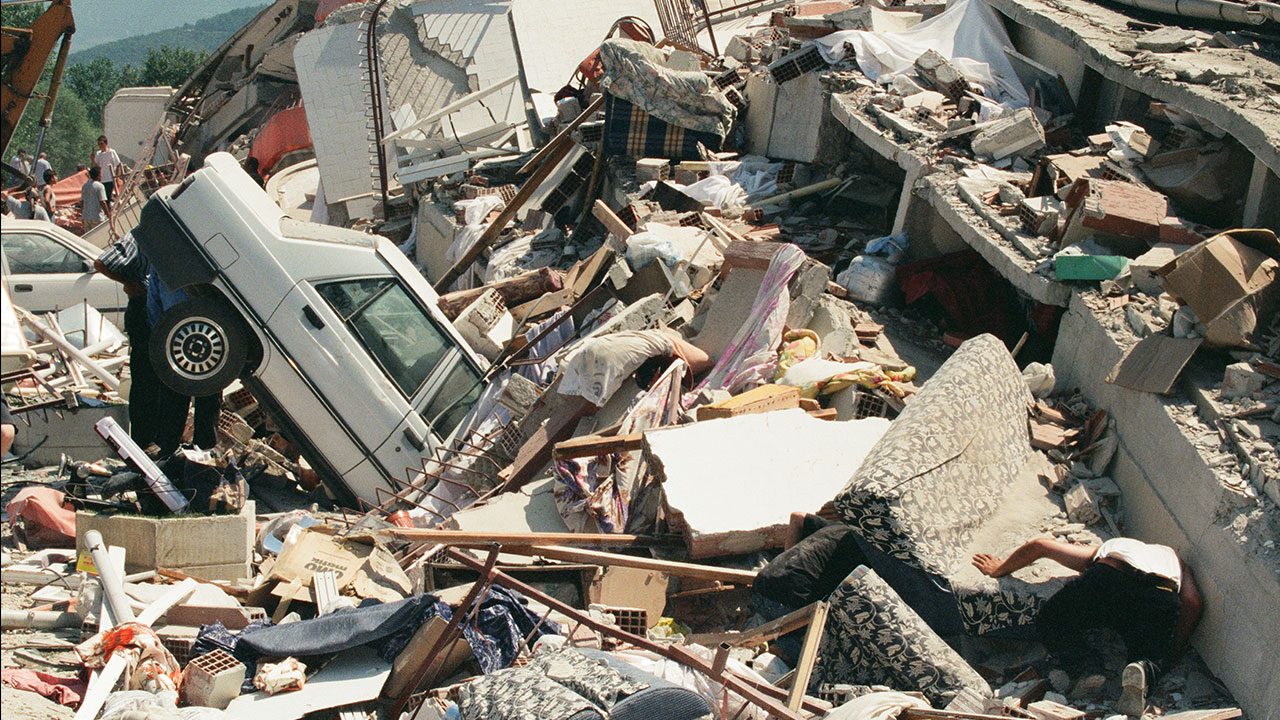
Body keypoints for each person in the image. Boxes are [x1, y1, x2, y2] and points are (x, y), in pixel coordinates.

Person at [972, 536, 1203, 717]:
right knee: (1148, 652)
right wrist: (1172, 650)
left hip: (1112, 574)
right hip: (1160, 593)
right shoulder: (1178, 563)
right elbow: (1193, 602)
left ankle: (1086, 666)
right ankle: (1142, 668)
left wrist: (999, 568)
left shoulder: (1114, 546)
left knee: (1053, 621)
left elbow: (1040, 545)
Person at [750, 513, 868, 664]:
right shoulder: (866, 555)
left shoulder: (838, 528)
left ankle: (777, 645)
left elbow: (796, 518)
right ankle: (780, 650)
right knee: (815, 665)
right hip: (784, 603)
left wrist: (786, 562)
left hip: (760, 586)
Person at [145, 266, 220, 455]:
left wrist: (163, 335)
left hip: (178, 335)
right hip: (205, 333)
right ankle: (204, 447)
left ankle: (170, 447)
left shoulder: (161, 267)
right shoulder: (202, 262)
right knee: (206, 392)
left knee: (176, 395)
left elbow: (154, 307)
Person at [96, 233, 161, 451]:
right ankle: (143, 439)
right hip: (142, 305)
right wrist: (132, 283)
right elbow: (103, 262)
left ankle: (154, 436)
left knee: (156, 376)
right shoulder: (139, 236)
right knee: (144, 375)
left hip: (155, 304)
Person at [94, 136, 121, 203]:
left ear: (106, 143)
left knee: (107, 197)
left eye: (101, 144)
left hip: (109, 178)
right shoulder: (98, 154)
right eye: (99, 144)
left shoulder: (111, 152)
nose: (100, 146)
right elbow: (95, 165)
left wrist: (117, 178)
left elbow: (118, 165)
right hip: (101, 179)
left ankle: (108, 211)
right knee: (101, 197)